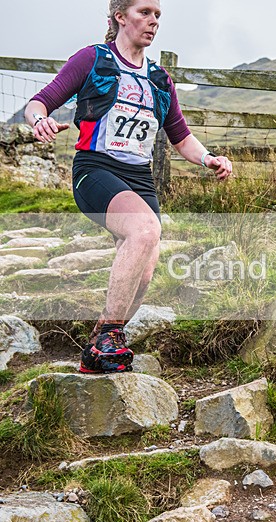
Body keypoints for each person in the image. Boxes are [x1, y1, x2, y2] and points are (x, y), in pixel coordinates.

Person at [24, 0, 232, 373]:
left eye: (157, 16)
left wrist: (209, 158)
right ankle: (111, 336)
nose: (152, 22)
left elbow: (181, 138)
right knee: (145, 229)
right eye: (144, 13)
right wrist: (39, 120)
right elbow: (40, 101)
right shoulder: (93, 59)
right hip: (96, 170)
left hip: (139, 177)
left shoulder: (159, 78)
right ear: (120, 16)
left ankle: (99, 345)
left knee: (145, 269)